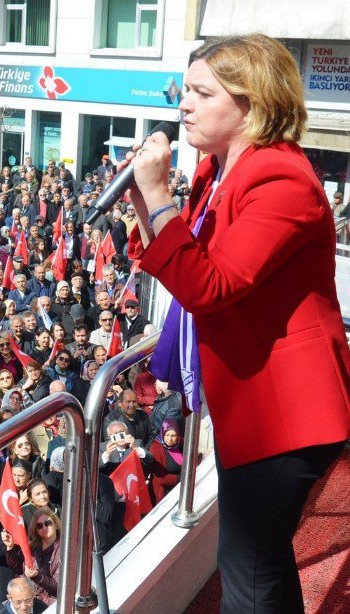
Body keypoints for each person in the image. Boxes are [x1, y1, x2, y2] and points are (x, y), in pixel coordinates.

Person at [126, 34, 350, 613]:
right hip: (252, 403)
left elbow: (209, 286)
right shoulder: (219, 170)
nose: (185, 106)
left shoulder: (281, 179)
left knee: (247, 571)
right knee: (261, 563)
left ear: (251, 104)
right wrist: (143, 200)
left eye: (202, 93)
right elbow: (181, 265)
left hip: (285, 413)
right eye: (187, 92)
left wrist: (156, 192)